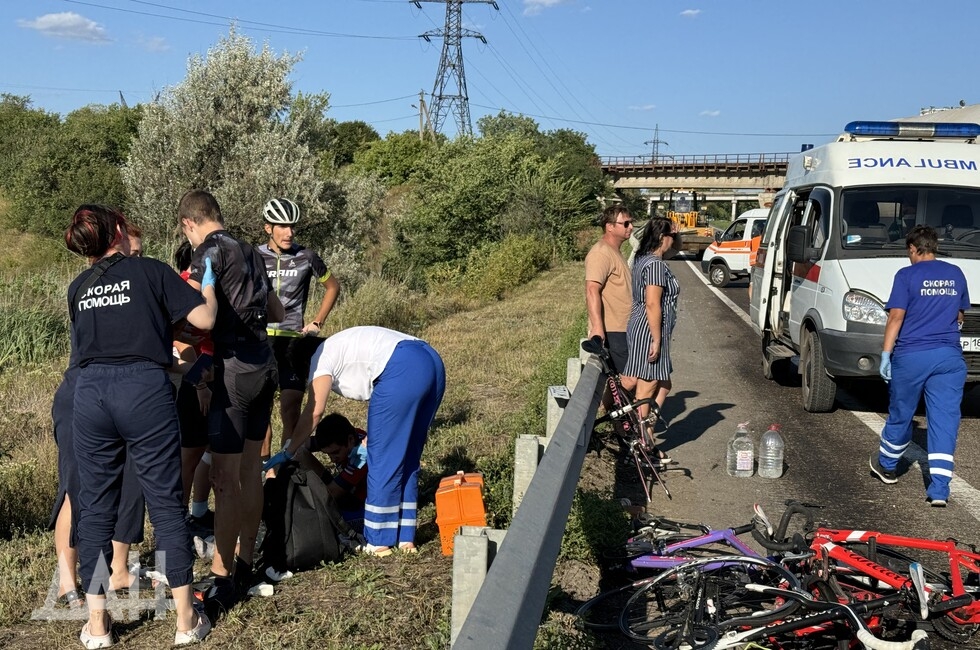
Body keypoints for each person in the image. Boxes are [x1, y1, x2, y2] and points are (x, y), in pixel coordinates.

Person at [64, 204, 216, 647]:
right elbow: (202, 320)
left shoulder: (78, 287)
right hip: (142, 389)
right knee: (166, 503)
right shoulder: (148, 271)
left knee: (94, 507)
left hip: (89, 394)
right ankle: (187, 622)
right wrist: (206, 285)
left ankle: (97, 627)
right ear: (117, 231)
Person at [179, 190, 284, 604]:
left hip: (233, 372)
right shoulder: (252, 251)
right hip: (266, 366)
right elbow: (276, 311)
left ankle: (223, 575)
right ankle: (245, 559)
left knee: (224, 479)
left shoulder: (205, 252)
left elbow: (197, 317)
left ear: (190, 223)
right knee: (250, 469)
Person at [265, 326, 445, 557]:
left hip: (399, 367)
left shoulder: (320, 357)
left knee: (380, 458)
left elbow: (314, 411)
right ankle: (404, 538)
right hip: (430, 360)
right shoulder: (340, 344)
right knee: (407, 458)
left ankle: (378, 542)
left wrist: (289, 450)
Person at [50, 224, 148, 609]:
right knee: (77, 486)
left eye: (140, 257)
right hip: (84, 395)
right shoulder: (95, 289)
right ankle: (66, 580)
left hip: (111, 394)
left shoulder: (101, 289)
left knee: (129, 480)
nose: (136, 262)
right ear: (113, 246)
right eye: (133, 254)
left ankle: (119, 568)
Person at [871, 225, 969, 507]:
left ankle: (887, 465)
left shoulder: (906, 275)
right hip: (949, 358)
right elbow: (960, 315)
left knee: (902, 412)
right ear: (934, 247)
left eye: (909, 253)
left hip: (912, 355)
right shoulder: (955, 273)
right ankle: (939, 490)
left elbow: (896, 318)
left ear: (913, 249)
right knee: (945, 420)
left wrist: (886, 354)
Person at [257, 198, 340, 461]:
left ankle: (285, 465)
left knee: (291, 407)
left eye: (293, 226)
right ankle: (263, 470)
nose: (290, 232)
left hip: (293, 342)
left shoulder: (306, 256)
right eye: (282, 226)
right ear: (268, 227)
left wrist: (317, 322)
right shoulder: (254, 256)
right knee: (262, 410)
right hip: (262, 341)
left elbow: (333, 287)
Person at [623, 217, 680, 458]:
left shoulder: (643, 259)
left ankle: (643, 433)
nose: (674, 240)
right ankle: (642, 442)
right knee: (647, 386)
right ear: (661, 238)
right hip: (649, 330)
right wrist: (656, 339)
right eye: (671, 235)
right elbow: (652, 303)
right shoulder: (655, 265)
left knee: (663, 383)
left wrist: (677, 233)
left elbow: (675, 249)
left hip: (643, 326)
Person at [585, 205, 635, 391]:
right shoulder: (601, 253)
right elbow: (591, 290)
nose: (630, 227)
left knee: (627, 382)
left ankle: (619, 417)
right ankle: (611, 413)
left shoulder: (615, 251)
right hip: (614, 330)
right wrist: (597, 327)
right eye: (626, 223)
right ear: (610, 226)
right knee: (630, 380)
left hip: (625, 328)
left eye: (631, 223)